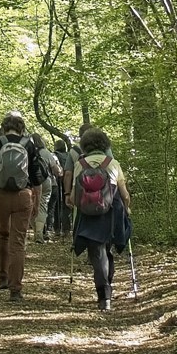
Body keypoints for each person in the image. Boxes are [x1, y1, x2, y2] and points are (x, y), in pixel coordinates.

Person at [0, 112, 56, 298]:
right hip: (23, 196)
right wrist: (36, 200)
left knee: (3, 236)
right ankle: (16, 290)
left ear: (4, 127)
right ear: (21, 127)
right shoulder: (29, 144)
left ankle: (3, 278)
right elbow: (36, 175)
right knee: (18, 242)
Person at [67, 125, 132, 312]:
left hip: (88, 215)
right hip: (111, 214)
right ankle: (106, 292)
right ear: (105, 145)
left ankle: (104, 295)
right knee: (106, 250)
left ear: (85, 145)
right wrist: (127, 209)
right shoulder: (112, 163)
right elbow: (124, 195)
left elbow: (73, 197)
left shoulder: (81, 164)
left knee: (97, 253)